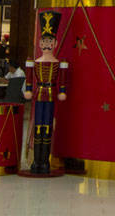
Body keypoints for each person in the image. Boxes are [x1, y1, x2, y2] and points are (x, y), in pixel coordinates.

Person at [22, 11, 67, 176]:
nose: (46, 44)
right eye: (44, 41)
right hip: (39, 94)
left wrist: (62, 91)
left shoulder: (58, 64)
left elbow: (62, 81)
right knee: (38, 127)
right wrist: (28, 90)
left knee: (47, 127)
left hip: (50, 94)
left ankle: (44, 161)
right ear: (40, 43)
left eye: (50, 41)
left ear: (55, 43)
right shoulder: (34, 62)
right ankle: (36, 160)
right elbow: (29, 79)